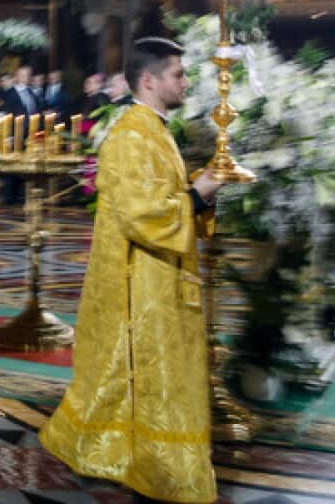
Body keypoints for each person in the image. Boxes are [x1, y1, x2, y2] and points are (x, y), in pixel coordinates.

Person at [40, 37, 225, 504]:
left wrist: (199, 193)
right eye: (178, 74)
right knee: (145, 373)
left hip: (162, 272)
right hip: (140, 280)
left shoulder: (156, 129)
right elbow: (140, 213)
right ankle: (152, 465)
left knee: (158, 374)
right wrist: (197, 195)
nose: (186, 82)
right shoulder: (130, 135)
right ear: (149, 80)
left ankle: (148, 457)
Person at [1, 65, 40, 204]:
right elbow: (7, 116)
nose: (26, 78)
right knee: (12, 165)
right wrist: (9, 136)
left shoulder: (31, 92)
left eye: (28, 75)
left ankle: (20, 194)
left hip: (29, 135)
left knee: (24, 166)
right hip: (14, 135)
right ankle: (9, 196)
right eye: (23, 75)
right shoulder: (9, 94)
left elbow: (37, 112)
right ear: (16, 77)